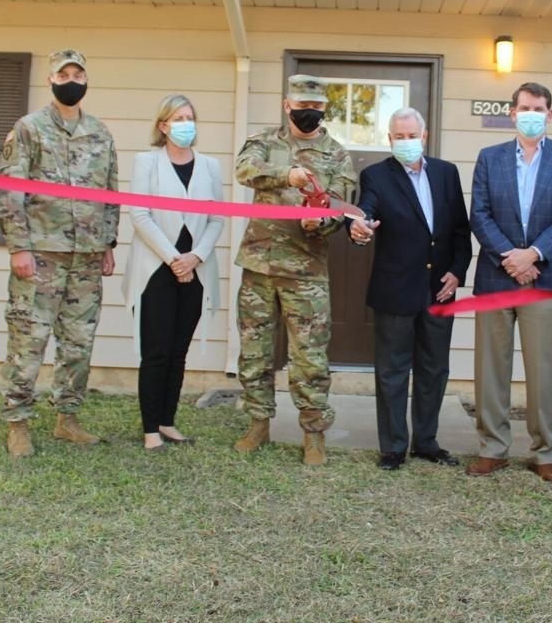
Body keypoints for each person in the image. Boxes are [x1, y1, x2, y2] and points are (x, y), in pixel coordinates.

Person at [0, 49, 119, 457]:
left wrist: (107, 243)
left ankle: (67, 418)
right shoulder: (29, 129)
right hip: (41, 254)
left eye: (78, 73)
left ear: (87, 80)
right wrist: (19, 247)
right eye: (63, 74)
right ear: (50, 80)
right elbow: (11, 192)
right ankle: (18, 423)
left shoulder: (100, 133)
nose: (71, 80)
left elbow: (111, 194)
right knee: (29, 340)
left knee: (78, 342)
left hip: (86, 255)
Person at [232, 75, 357, 466]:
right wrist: (288, 174)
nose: (310, 113)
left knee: (310, 358)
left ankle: (313, 433)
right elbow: (244, 170)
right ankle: (257, 423)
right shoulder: (264, 142)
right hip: (259, 264)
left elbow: (341, 204)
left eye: (317, 107)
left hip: (306, 269)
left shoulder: (336, 155)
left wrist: (317, 223)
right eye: (303, 105)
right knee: (255, 351)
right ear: (288, 105)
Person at [466, 82, 552, 483]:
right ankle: (492, 448)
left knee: (542, 368)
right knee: (490, 369)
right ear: (512, 112)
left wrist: (533, 254)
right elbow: (479, 214)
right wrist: (511, 257)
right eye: (524, 108)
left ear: (550, 114)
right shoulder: (490, 158)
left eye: (539, 108)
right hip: (496, 275)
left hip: (545, 275)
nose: (531, 114)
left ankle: (545, 451)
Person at [349, 108, 472, 471]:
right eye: (398, 136)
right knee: (392, 371)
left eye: (411, 135)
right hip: (396, 288)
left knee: (434, 369)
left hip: (440, 290)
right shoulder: (376, 175)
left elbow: (460, 232)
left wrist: (457, 272)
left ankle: (426, 442)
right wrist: (360, 226)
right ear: (390, 140)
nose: (405, 142)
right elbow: (365, 210)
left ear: (425, 135)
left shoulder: (447, 173)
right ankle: (393, 446)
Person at [123, 95, 225, 450]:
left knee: (178, 351)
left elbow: (216, 218)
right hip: (157, 269)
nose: (186, 123)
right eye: (178, 118)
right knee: (156, 351)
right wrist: (173, 259)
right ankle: (150, 428)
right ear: (163, 126)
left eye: (190, 117)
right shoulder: (146, 162)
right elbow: (140, 216)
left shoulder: (210, 166)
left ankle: (167, 421)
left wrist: (194, 257)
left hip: (196, 269)